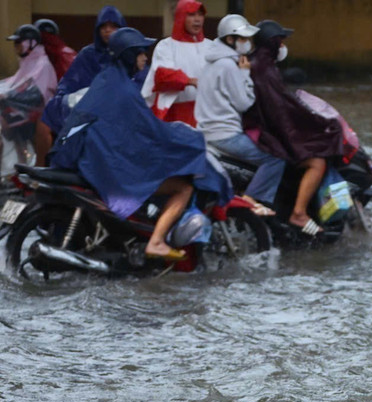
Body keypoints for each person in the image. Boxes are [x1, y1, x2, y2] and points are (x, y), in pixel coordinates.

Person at [50, 27, 231, 261]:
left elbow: (135, 129)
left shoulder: (107, 80)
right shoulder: (125, 90)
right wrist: (186, 137)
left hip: (90, 158)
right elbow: (150, 131)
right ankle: (156, 242)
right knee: (183, 188)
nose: (146, 57)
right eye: (141, 53)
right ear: (129, 55)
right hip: (107, 166)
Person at [243, 19, 343, 235]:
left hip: (263, 128)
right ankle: (298, 213)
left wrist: (308, 119)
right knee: (317, 161)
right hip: (267, 133)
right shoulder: (264, 69)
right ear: (272, 43)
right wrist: (315, 124)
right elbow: (279, 112)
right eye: (280, 42)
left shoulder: (260, 65)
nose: (282, 47)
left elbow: (285, 105)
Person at [195, 14, 283, 214]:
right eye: (243, 39)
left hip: (206, 132)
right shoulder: (228, 65)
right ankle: (253, 200)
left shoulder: (211, 61)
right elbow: (244, 103)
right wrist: (245, 73)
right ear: (230, 40)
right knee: (276, 157)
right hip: (226, 135)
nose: (247, 43)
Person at [37, 5, 128, 166]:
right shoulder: (88, 54)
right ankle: (42, 168)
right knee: (49, 113)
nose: (108, 31)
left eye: (113, 26)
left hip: (121, 109)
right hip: (85, 106)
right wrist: (63, 98)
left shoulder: (129, 54)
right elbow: (69, 82)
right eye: (103, 27)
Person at [141, 0, 211, 126]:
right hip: (176, 113)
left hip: (207, 112)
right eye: (191, 15)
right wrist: (189, 81)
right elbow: (162, 75)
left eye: (200, 15)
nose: (197, 19)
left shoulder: (211, 46)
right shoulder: (166, 46)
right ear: (181, 16)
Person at [0, 24, 58, 176]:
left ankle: (35, 169)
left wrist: (7, 95)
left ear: (31, 43)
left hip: (40, 110)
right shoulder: (28, 61)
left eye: (19, 42)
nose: (16, 46)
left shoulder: (42, 63)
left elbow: (34, 91)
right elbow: (15, 82)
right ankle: (18, 166)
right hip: (28, 108)